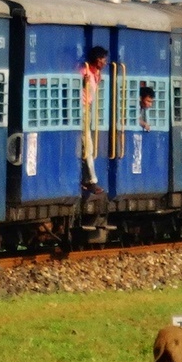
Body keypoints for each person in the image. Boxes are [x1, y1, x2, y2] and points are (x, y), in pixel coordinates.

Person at [79, 47, 110, 229]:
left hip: (88, 110)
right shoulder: (84, 72)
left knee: (88, 146)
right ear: (97, 59)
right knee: (88, 146)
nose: (105, 62)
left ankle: (89, 180)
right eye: (103, 59)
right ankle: (91, 180)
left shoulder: (96, 73)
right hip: (82, 109)